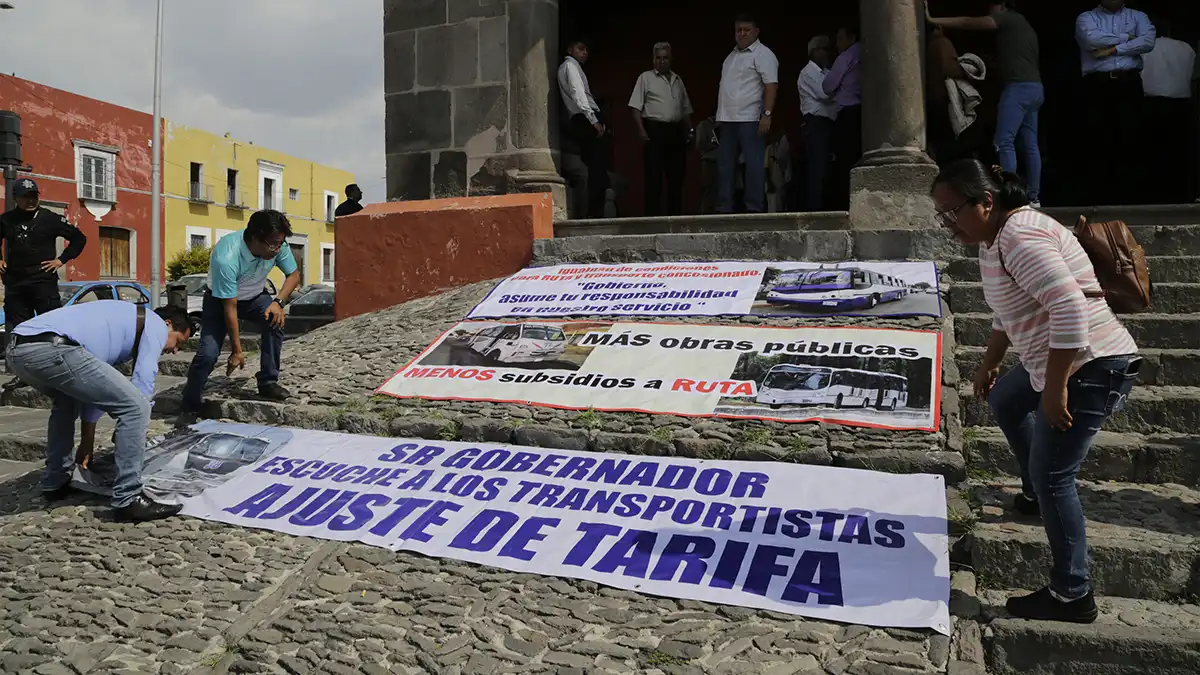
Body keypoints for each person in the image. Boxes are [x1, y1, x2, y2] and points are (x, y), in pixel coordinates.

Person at [931, 159, 1140, 623]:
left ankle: (1072, 593)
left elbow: (1068, 308)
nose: (948, 223)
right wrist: (990, 363)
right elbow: (1009, 310)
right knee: (1006, 399)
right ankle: (1030, 491)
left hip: (1089, 363)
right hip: (1052, 359)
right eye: (941, 215)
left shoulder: (1021, 235)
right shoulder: (993, 240)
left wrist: (1056, 387)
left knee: (1055, 478)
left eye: (952, 211)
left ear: (986, 201)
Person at [6, 301, 195, 522]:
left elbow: (92, 391)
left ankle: (55, 481)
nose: (174, 351)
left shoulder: (119, 322)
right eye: (178, 342)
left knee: (66, 404)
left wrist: (87, 442)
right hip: (54, 347)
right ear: (168, 323)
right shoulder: (155, 323)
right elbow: (144, 377)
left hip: (18, 349)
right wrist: (133, 423)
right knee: (136, 407)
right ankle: (129, 498)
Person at [181, 210, 302, 414]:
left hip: (255, 296)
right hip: (220, 301)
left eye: (280, 243)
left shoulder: (277, 245)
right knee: (208, 353)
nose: (278, 249)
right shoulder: (227, 256)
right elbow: (231, 308)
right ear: (256, 238)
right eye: (273, 244)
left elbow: (294, 275)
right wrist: (237, 350)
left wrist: (278, 303)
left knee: (275, 320)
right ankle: (190, 401)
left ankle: (268, 383)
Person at [928, 1, 1043, 206]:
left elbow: (969, 22)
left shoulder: (1007, 19)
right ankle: (1034, 197)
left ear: (1001, 5)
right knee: (1030, 145)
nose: (989, 12)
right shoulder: (1025, 25)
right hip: (1035, 88)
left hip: (1017, 89)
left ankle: (1012, 196)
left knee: (1003, 141)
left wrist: (932, 19)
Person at [1075, 1, 1156, 205]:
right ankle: (1100, 198)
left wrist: (1113, 50)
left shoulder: (1138, 15)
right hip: (1098, 85)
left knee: (1132, 137)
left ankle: (1131, 196)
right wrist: (1127, 38)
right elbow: (1090, 40)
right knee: (1098, 138)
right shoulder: (1086, 17)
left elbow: (1148, 41)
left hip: (1129, 83)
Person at [0, 178, 87, 334]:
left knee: (50, 327)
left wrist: (61, 260)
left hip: (43, 281)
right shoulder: (6, 220)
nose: (31, 200)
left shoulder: (51, 219)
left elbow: (79, 239)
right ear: (15, 198)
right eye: (25, 196)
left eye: (33, 196)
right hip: (16, 282)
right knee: (20, 330)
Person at [715, 13, 779, 214]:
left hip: (750, 119)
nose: (742, 33)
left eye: (746, 30)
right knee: (724, 167)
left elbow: (771, 85)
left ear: (756, 31)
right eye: (738, 30)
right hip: (727, 120)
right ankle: (723, 208)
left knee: (753, 166)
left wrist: (766, 114)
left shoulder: (763, 54)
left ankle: (754, 209)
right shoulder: (730, 57)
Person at [629, 42, 694, 217]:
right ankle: (652, 219)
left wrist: (690, 131)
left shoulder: (677, 80)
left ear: (670, 59)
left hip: (676, 132)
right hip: (654, 131)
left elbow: (685, 109)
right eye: (658, 58)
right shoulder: (645, 78)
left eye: (665, 58)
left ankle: (675, 217)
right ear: (653, 59)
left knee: (676, 178)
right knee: (653, 178)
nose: (662, 61)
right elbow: (635, 107)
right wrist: (642, 131)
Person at [1140, 18, 1194, 204]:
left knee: (1153, 152)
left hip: (1152, 105)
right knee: (1179, 152)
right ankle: (1180, 193)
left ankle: (1154, 193)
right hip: (1181, 105)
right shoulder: (1186, 48)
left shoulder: (1144, 49)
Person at [557, 39, 609, 218]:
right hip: (584, 117)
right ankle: (592, 214)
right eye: (580, 48)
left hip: (584, 117)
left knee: (597, 169)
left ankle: (593, 212)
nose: (585, 52)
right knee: (596, 170)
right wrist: (593, 120)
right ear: (570, 49)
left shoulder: (574, 67)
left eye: (586, 49)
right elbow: (579, 95)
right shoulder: (570, 66)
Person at [824, 24, 862, 211]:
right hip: (864, 113)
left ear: (851, 37)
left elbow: (828, 86)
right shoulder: (867, 53)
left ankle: (844, 204)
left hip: (847, 113)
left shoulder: (847, 56)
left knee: (845, 161)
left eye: (840, 39)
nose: (837, 44)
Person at [797, 35, 837, 211]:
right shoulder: (808, 72)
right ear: (814, 52)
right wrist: (837, 92)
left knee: (829, 170)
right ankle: (815, 210)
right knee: (817, 169)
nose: (828, 53)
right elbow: (826, 94)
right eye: (824, 49)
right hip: (816, 124)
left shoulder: (828, 73)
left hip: (830, 124)